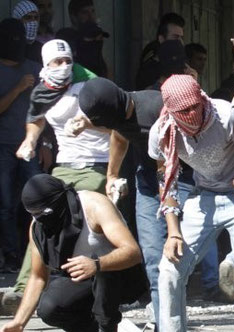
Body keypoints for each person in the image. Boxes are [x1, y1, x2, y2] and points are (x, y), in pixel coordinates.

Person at [2, 39, 109, 314]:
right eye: (56, 63)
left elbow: (120, 126)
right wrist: (30, 140)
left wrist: (89, 124)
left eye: (67, 62)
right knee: (41, 216)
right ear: (45, 65)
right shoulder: (42, 90)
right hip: (64, 164)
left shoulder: (91, 85)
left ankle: (91, 287)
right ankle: (25, 288)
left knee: (72, 214)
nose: (63, 68)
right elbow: (36, 117)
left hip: (97, 163)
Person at [147, 75, 234, 331]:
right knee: (170, 271)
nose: (192, 113)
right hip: (203, 196)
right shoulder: (163, 132)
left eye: (195, 105)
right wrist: (173, 232)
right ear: (171, 111)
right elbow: (166, 179)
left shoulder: (227, 117)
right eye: (183, 111)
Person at [0, 174, 146, 332]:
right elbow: (38, 277)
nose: (40, 219)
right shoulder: (38, 225)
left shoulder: (94, 205)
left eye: (44, 213)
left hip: (121, 276)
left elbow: (133, 252)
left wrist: (96, 264)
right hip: (82, 280)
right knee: (49, 308)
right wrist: (19, 322)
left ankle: (107, 327)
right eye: (34, 214)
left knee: (103, 274)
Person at [0, 18, 42, 273]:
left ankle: (37, 255)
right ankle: (13, 256)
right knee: (5, 205)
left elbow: (45, 110)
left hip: (32, 146)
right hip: (3, 146)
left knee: (37, 202)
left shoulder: (35, 68)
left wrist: (45, 142)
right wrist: (18, 88)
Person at [136, 12, 185, 90]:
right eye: (175, 37)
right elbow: (147, 96)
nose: (180, 42)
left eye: (181, 38)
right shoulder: (149, 69)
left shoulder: (181, 63)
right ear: (161, 39)